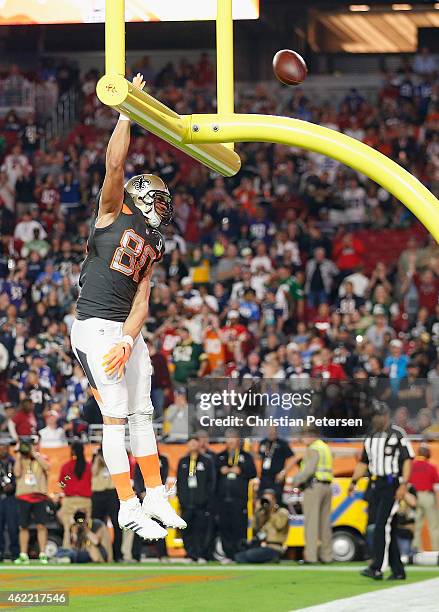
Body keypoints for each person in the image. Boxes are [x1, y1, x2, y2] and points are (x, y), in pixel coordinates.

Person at [69, 73, 185, 541]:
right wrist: (125, 114)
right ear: (140, 196)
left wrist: (128, 337)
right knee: (115, 415)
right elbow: (114, 168)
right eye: (157, 197)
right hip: (93, 326)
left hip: (119, 329)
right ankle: (126, 504)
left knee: (143, 413)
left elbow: (143, 298)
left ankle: (154, 492)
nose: (162, 205)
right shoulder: (113, 213)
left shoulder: (154, 242)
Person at [349, 401, 414, 580]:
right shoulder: (370, 437)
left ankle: (377, 567)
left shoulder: (397, 434)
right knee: (388, 529)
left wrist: (403, 485)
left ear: (385, 416)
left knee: (380, 527)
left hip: (391, 484)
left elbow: (408, 460)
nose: (375, 419)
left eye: (377, 416)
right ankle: (398, 570)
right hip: (375, 485)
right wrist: (353, 481)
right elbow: (364, 462)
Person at [291, 428, 333, 564]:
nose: (302, 440)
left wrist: (295, 482)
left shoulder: (313, 448)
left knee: (311, 523)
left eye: (303, 436)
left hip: (314, 487)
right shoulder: (324, 447)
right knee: (325, 524)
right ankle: (327, 556)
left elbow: (308, 470)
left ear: (310, 435)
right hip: (327, 486)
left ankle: (311, 556)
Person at [215, 429, 257, 563]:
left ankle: (240, 554)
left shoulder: (246, 456)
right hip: (223, 499)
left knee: (239, 527)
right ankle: (228, 555)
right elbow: (212, 475)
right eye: (229, 439)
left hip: (239, 499)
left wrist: (241, 470)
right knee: (225, 528)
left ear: (238, 440)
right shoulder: (220, 456)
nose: (231, 441)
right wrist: (221, 470)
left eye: (233, 438)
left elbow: (253, 472)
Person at [177, 435, 215, 562]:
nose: (193, 445)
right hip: (186, 504)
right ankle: (190, 554)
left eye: (195, 443)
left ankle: (200, 554)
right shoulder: (182, 462)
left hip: (201, 505)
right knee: (187, 531)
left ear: (199, 444)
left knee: (201, 530)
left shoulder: (206, 461)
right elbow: (180, 483)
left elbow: (211, 482)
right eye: (190, 443)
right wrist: (181, 499)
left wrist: (205, 499)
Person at [13, 437, 50, 565]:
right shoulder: (21, 458)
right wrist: (18, 455)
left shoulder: (42, 457)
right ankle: (23, 554)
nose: (31, 446)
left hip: (39, 495)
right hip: (24, 496)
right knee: (23, 526)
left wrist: (34, 453)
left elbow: (47, 467)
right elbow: (16, 473)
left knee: (41, 526)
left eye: (34, 443)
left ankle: (43, 553)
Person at [235, 489, 289, 563]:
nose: (266, 502)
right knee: (239, 556)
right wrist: (257, 511)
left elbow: (279, 525)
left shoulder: (281, 512)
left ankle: (272, 558)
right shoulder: (263, 513)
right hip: (262, 546)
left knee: (247, 556)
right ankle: (268, 560)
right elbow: (255, 528)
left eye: (269, 500)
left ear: (274, 500)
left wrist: (272, 511)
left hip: (275, 547)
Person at [58, 441, 92, 548]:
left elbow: (62, 483)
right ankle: (87, 550)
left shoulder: (66, 467)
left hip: (70, 501)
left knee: (68, 528)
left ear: (72, 451)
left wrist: (68, 485)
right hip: (85, 501)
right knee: (86, 527)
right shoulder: (88, 467)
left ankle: (67, 550)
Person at [91, 447, 122, 562]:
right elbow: (93, 473)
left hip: (112, 492)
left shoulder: (114, 458)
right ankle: (99, 553)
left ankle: (117, 554)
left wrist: (107, 459)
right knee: (97, 524)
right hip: (98, 493)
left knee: (117, 524)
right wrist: (98, 459)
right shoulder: (95, 459)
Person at [409, 444, 439, 552]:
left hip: (414, 497)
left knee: (417, 526)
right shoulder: (431, 467)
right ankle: (436, 551)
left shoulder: (411, 466)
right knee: (434, 526)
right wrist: (437, 502)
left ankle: (416, 551)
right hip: (428, 496)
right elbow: (436, 487)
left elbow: (408, 484)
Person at [258, 427, 297, 502]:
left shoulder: (282, 443)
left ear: (276, 431)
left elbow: (292, 458)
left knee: (276, 500)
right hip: (264, 477)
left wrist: (283, 473)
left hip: (277, 478)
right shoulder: (263, 443)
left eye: (273, 430)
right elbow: (260, 456)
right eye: (269, 430)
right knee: (261, 500)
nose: (271, 432)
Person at [0, 438, 19, 562]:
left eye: (5, 447)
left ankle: (15, 553)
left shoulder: (14, 462)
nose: (3, 449)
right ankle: (0, 552)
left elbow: (20, 477)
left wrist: (13, 485)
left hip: (11, 498)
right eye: (1, 447)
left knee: (13, 527)